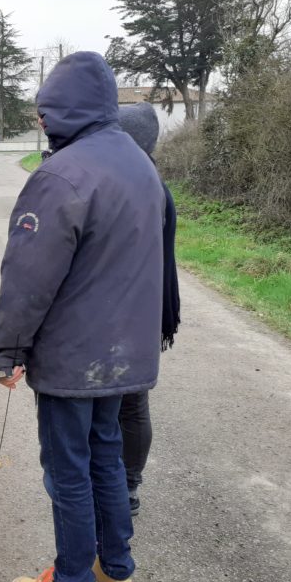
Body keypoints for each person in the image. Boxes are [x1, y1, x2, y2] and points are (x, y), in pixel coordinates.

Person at [0, 52, 164, 582]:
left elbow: (28, 278)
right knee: (106, 457)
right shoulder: (141, 166)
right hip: (123, 352)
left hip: (73, 355)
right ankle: (115, 572)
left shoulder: (61, 175)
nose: (41, 121)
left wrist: (7, 349)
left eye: (45, 111)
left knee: (68, 467)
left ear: (65, 109)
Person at [116, 102, 181, 517]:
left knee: (128, 403)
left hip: (131, 309)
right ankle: (126, 483)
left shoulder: (139, 188)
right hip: (148, 306)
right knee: (131, 402)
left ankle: (127, 484)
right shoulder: (152, 182)